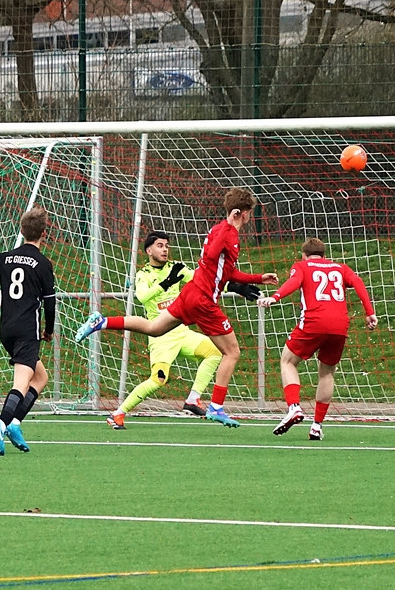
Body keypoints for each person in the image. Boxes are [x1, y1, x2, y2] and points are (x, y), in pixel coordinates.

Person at [75, 187, 277, 427]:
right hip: (203, 300)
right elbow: (211, 257)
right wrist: (229, 227)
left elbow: (224, 270)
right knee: (232, 352)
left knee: (155, 328)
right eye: (248, 212)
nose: (249, 216)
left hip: (191, 294)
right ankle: (216, 406)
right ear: (240, 212)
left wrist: (256, 279)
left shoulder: (217, 230)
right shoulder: (227, 232)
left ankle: (103, 321)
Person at [257, 237, 377, 441]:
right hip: (340, 325)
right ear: (324, 255)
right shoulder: (341, 268)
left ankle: (294, 407)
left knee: (287, 361)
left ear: (304, 255)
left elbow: (294, 282)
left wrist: (275, 297)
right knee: (327, 373)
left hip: (314, 322)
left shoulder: (302, 266)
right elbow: (358, 282)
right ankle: (316, 426)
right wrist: (369, 312)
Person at [106, 231, 222, 430]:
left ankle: (193, 399)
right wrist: (166, 283)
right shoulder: (143, 274)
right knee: (159, 379)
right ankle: (118, 414)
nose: (165, 249)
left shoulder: (176, 268)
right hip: (160, 336)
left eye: (167, 246)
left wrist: (234, 285)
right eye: (160, 246)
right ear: (149, 251)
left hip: (182, 333)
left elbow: (202, 281)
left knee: (216, 351)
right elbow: (143, 297)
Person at [0, 206, 55, 456]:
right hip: (27, 331)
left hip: (6, 330)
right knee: (21, 383)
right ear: (43, 233)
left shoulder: (5, 257)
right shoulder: (43, 263)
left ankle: (15, 424)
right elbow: (50, 303)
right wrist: (48, 330)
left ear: (21, 231)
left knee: (40, 377)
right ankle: (1, 424)